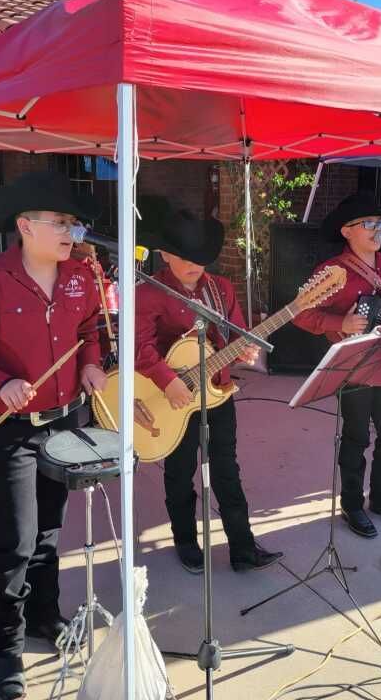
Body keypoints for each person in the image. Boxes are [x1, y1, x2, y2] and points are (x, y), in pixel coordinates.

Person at [0, 172, 107, 700]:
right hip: (10, 431)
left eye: (74, 225)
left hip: (64, 421)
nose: (70, 233)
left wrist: (93, 365)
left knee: (51, 532)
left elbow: (90, 330)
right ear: (25, 226)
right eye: (60, 223)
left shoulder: (80, 275)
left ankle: (44, 617)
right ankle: (6, 647)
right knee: (16, 539)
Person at [135, 204, 283, 573]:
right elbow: (140, 348)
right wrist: (168, 382)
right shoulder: (149, 293)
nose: (194, 264)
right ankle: (185, 540)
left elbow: (236, 334)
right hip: (173, 399)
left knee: (226, 470)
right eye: (185, 256)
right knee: (180, 471)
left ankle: (243, 548)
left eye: (200, 257)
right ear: (165, 254)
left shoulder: (221, 288)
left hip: (217, 392)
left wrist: (244, 348)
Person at [293, 194, 381, 539]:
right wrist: (339, 324)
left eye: (380, 223)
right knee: (356, 436)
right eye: (370, 224)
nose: (379, 230)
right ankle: (352, 504)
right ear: (347, 231)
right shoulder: (333, 271)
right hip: (352, 364)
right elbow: (301, 314)